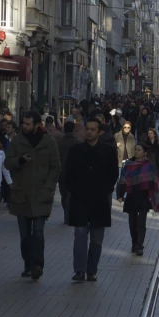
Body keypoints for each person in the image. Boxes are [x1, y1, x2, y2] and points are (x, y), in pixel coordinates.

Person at [5, 111, 60, 280]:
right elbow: (8, 162)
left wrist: (49, 188)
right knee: (24, 234)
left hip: (41, 194)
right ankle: (27, 264)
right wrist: (19, 161)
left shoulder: (49, 142)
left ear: (38, 124)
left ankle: (37, 265)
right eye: (23, 123)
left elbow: (55, 167)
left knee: (38, 232)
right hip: (21, 193)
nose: (24, 126)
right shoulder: (18, 140)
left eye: (28, 124)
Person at [66, 118, 120, 282]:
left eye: (92, 129)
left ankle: (92, 270)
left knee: (96, 239)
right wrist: (74, 190)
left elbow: (113, 174)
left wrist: (106, 189)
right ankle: (80, 270)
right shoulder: (76, 151)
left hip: (99, 200)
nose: (89, 132)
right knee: (80, 236)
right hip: (80, 199)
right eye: (87, 129)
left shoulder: (108, 151)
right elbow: (68, 173)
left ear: (99, 132)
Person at [117, 143, 159, 256]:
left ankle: (139, 245)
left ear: (144, 152)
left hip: (143, 197)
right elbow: (122, 180)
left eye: (139, 150)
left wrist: (154, 199)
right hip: (131, 196)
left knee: (141, 223)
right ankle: (134, 242)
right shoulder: (128, 165)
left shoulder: (149, 166)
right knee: (132, 223)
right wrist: (120, 194)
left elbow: (154, 182)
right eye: (135, 149)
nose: (136, 152)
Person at [57, 121, 80, 225]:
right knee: (72, 195)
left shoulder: (59, 143)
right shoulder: (78, 143)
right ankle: (70, 215)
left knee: (64, 195)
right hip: (75, 174)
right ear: (73, 129)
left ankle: (67, 215)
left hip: (62, 174)